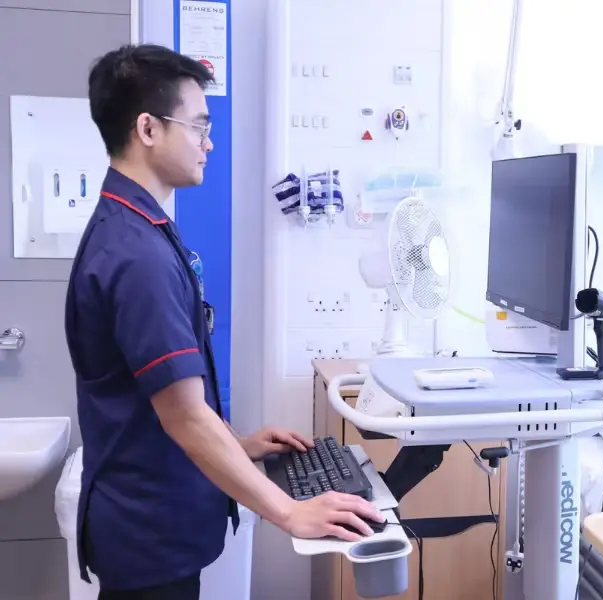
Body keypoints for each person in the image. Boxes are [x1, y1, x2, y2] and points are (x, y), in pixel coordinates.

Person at [64, 44, 383, 600]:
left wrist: (241, 444)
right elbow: (185, 417)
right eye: (198, 126)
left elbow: (153, 399)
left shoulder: (138, 228)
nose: (208, 142)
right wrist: (290, 512)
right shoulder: (136, 253)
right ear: (147, 128)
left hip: (148, 525)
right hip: (149, 537)